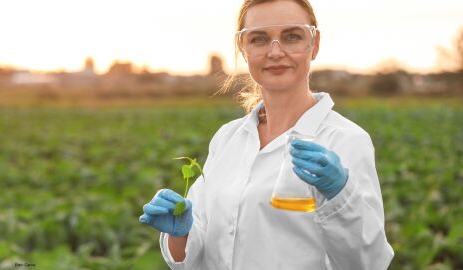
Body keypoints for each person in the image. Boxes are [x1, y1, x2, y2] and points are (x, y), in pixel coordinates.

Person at [139, 0, 394, 269]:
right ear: (243, 48)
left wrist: (341, 195)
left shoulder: (346, 141)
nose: (275, 52)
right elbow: (200, 247)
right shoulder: (227, 138)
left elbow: (369, 263)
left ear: (314, 44)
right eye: (259, 39)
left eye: (291, 37)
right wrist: (181, 234)